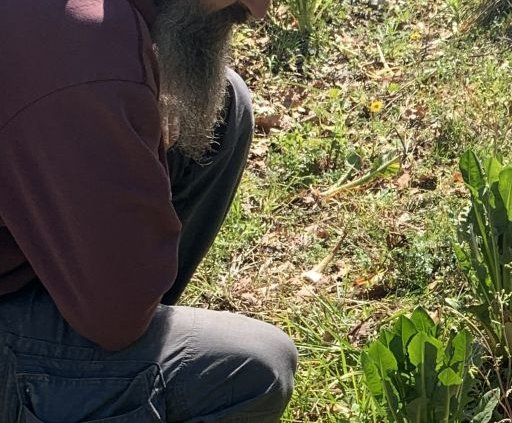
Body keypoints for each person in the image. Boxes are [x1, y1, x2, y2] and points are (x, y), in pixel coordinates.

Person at [0, 0, 298, 420]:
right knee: (252, 369)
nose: (259, 10)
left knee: (225, 107)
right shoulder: (87, 57)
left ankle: (106, 370)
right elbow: (114, 322)